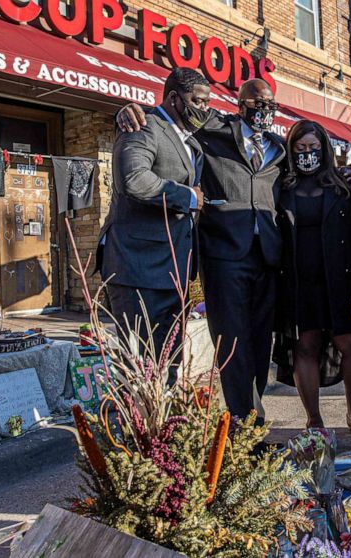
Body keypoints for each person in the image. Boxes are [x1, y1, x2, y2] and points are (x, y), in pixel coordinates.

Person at [116, 79, 285, 422]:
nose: (263, 111)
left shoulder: (279, 149)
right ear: (240, 105)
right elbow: (163, 118)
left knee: (260, 344)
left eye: (270, 105)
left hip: (266, 256)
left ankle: (252, 417)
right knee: (233, 343)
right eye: (256, 104)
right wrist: (125, 110)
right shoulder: (214, 129)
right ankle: (245, 422)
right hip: (224, 253)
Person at [98, 68, 210, 386]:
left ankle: (162, 432)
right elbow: (134, 179)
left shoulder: (190, 139)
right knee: (140, 369)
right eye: (197, 101)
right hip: (138, 266)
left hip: (173, 268)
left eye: (207, 102)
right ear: (174, 98)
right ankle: (137, 434)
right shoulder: (142, 125)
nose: (204, 108)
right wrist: (188, 196)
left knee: (167, 366)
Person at [274, 120, 351, 438]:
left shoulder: (343, 185)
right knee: (306, 346)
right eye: (300, 149)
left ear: (325, 149)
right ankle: (313, 419)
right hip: (298, 283)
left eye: (313, 148)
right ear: (291, 151)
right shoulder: (281, 187)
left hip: (341, 281)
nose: (307, 154)